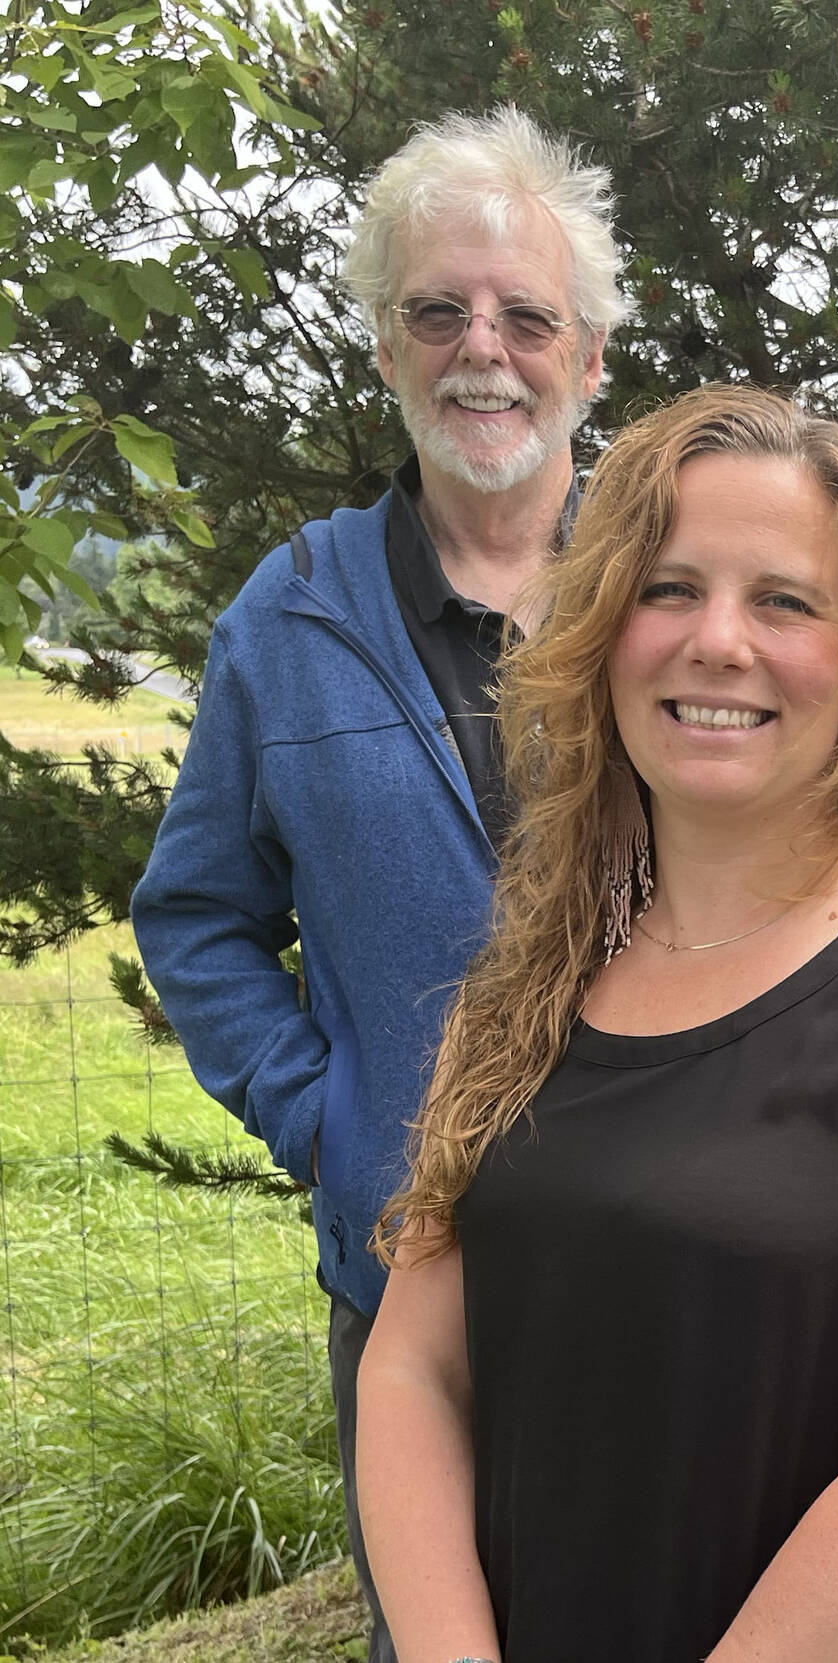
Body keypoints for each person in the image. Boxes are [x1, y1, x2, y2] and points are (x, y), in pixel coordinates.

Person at [355, 385, 838, 1663]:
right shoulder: (531, 977)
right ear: (603, 627)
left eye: (784, 602)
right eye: (670, 588)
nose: (717, 642)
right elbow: (416, 1369)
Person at [128, 107, 624, 1663]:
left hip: (683, 1245)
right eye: (438, 311)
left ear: (589, 358)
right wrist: (322, 1111)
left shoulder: (676, 586)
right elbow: (195, 913)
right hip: (417, 1275)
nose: (485, 348)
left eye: (526, 315)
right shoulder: (286, 618)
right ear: (388, 346)